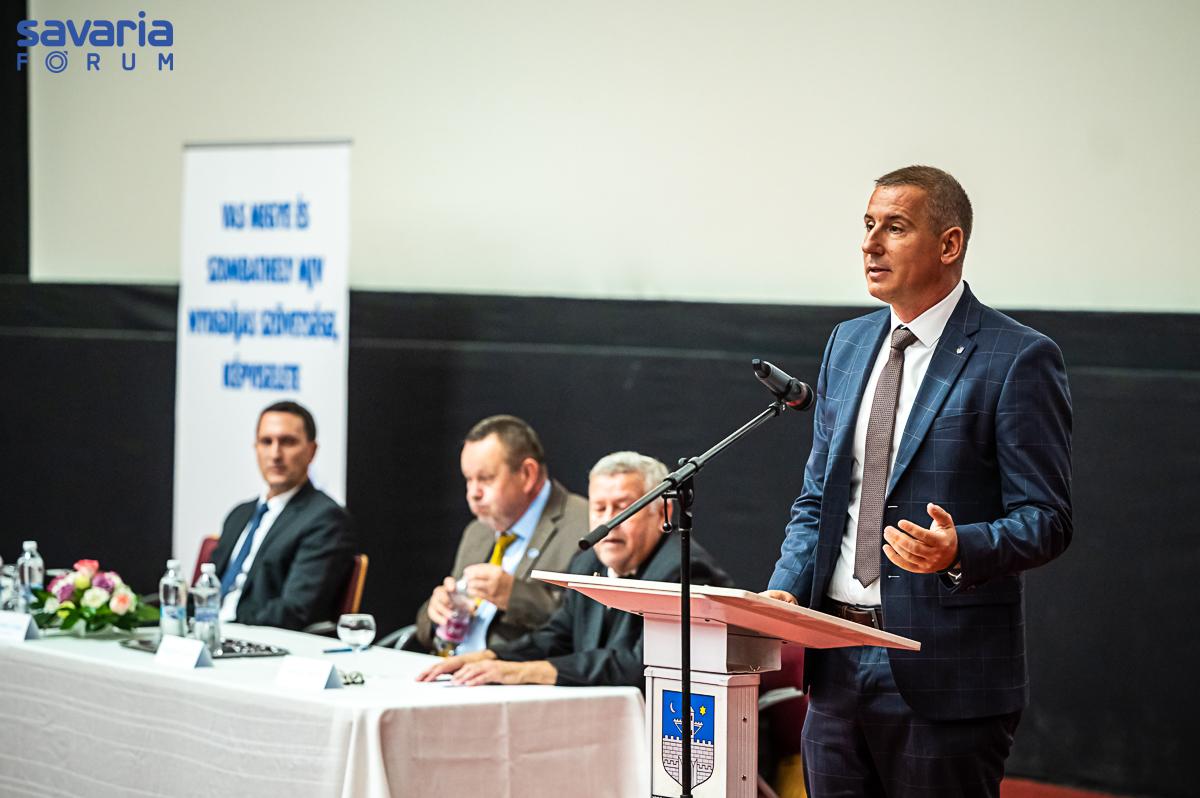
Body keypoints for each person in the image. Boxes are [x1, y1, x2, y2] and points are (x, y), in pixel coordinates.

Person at [762, 165, 1072, 797]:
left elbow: (1047, 518)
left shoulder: (1016, 357)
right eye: (868, 225)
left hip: (945, 671)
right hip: (836, 659)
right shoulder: (848, 343)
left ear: (949, 244)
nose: (870, 244)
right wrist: (786, 589)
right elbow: (819, 498)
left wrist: (960, 548)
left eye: (895, 227)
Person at [417, 451, 733, 687]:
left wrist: (525, 672)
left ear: (662, 511)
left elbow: (640, 665)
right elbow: (556, 637)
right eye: (600, 508)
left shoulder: (683, 570)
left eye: (624, 508)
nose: (610, 522)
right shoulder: (587, 563)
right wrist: (489, 658)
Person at [414, 415, 587, 653]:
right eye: (468, 480)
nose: (473, 493)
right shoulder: (478, 531)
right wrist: (436, 611)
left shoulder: (584, 527)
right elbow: (427, 626)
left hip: (518, 671)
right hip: (451, 665)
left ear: (527, 474)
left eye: (485, 479)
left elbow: (587, 624)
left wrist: (513, 595)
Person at [210, 401, 355, 631]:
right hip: (208, 633)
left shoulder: (326, 519)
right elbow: (206, 589)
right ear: (256, 448)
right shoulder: (239, 515)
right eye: (266, 442)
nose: (275, 454)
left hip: (257, 638)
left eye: (288, 442)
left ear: (311, 451)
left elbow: (295, 610)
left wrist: (226, 623)